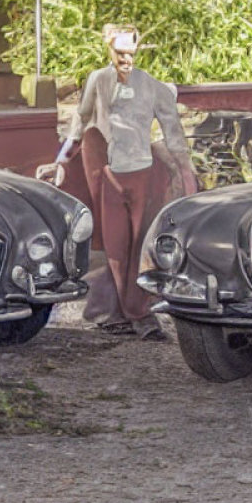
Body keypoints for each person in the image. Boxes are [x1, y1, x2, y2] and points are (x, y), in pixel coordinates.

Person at [55, 24, 197, 340]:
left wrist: (183, 168)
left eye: (131, 53)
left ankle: (139, 314)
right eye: (120, 53)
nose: (126, 60)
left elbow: (173, 131)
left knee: (139, 244)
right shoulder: (98, 81)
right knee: (117, 247)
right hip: (109, 175)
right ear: (109, 50)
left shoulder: (151, 86)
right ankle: (130, 314)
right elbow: (79, 125)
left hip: (142, 173)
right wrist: (60, 161)